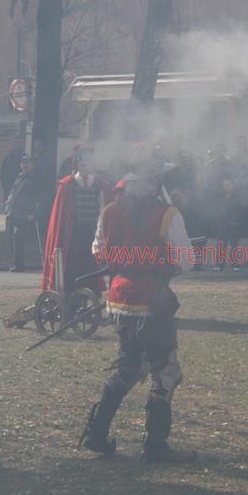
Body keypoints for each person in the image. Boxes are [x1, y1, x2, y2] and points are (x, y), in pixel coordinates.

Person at [80, 162, 192, 461]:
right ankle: (155, 445)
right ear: (153, 183)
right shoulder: (167, 213)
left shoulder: (109, 211)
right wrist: (163, 267)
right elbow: (185, 259)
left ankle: (96, 434)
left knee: (128, 369)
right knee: (165, 371)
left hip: (119, 300)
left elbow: (98, 250)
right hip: (153, 301)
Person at [42, 143, 110, 294]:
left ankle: (92, 294)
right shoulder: (67, 185)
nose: (86, 166)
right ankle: (71, 297)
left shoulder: (100, 185)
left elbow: (104, 210)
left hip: (93, 234)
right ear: (77, 164)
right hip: (73, 235)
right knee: (72, 268)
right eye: (82, 162)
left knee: (92, 268)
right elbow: (60, 218)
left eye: (88, 162)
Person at [5, 155, 40, 272]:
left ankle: (18, 264)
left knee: (18, 239)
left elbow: (35, 197)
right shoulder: (19, 176)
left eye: (27, 163)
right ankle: (15, 261)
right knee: (10, 238)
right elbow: (13, 192)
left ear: (32, 165)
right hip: (12, 211)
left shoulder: (34, 179)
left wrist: (32, 212)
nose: (25, 165)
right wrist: (7, 205)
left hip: (22, 213)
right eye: (23, 163)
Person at [0, 136, 25, 202]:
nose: (15, 144)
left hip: (21, 189)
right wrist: (4, 184)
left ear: (20, 144)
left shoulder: (25, 158)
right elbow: (3, 172)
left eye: (17, 142)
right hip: (8, 188)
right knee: (8, 205)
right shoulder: (7, 158)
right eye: (13, 142)